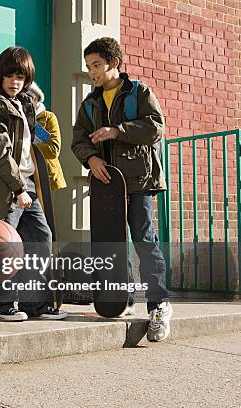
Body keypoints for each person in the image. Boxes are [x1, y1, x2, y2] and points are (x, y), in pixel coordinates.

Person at [71, 37, 172, 341]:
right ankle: (121, 300)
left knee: (143, 240)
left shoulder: (138, 92)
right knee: (112, 242)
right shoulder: (89, 103)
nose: (92, 72)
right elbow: (79, 139)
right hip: (107, 184)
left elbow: (156, 126)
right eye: (89, 67)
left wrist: (117, 131)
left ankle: (158, 306)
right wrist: (90, 159)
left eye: (97, 65)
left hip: (139, 181)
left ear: (113, 63)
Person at [0, 46, 67, 322]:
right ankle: (0, 304)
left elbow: (40, 144)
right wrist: (17, 187)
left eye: (21, 77)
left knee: (40, 237)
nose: (15, 81)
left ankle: (34, 302)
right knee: (4, 244)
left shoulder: (23, 105)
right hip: (5, 186)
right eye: (10, 75)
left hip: (27, 184)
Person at [27, 82, 67, 191]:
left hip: (45, 177)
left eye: (29, 98)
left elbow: (53, 149)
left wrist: (26, 148)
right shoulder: (15, 119)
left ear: (36, 99)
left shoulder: (48, 117)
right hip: (22, 177)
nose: (26, 103)